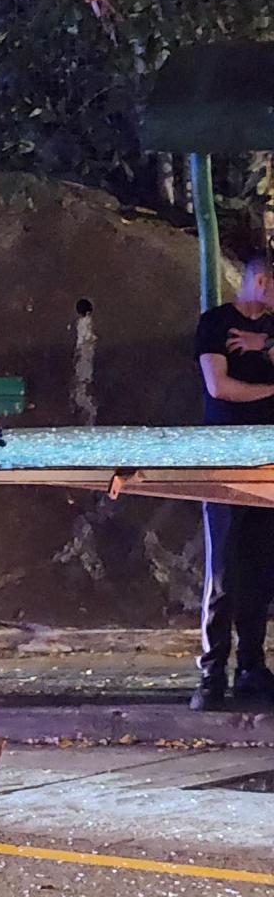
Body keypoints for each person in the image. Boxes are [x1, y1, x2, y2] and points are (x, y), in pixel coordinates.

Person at [191, 256, 274, 709]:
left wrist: (264, 344)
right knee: (222, 568)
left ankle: (251, 667)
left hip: (267, 463)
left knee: (260, 568)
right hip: (224, 461)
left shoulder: (270, 328)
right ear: (261, 281)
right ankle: (211, 673)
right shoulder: (216, 324)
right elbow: (219, 387)